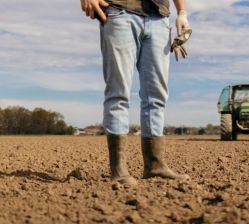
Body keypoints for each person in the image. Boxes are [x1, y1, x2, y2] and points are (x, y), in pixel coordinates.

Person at [80, 0, 191, 186]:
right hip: (120, 12)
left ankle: (155, 165)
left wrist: (182, 12)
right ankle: (119, 169)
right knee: (118, 92)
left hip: (159, 19)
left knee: (156, 95)